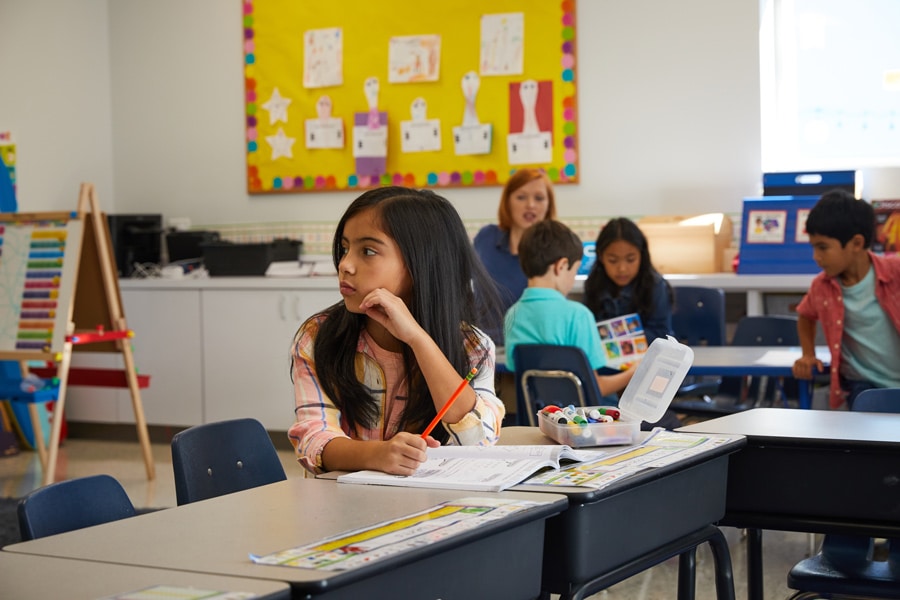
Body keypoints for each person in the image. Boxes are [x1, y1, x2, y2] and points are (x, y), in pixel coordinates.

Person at [289, 186, 505, 475]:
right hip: (344, 504)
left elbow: (479, 441)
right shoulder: (318, 336)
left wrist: (418, 339)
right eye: (344, 248)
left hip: (435, 504)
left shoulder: (473, 346)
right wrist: (378, 455)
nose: (344, 265)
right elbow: (313, 442)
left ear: (421, 264)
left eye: (367, 251)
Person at [792, 189, 900, 409]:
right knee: (872, 438)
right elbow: (805, 315)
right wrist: (808, 354)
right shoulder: (822, 286)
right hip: (863, 386)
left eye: (823, 247)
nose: (816, 257)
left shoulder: (895, 272)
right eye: (813, 247)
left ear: (857, 243)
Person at [504, 220, 634, 399]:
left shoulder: (513, 314)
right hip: (584, 422)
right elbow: (595, 389)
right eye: (574, 271)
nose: (573, 279)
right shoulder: (578, 316)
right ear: (561, 266)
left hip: (538, 420)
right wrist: (633, 372)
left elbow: (517, 371)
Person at [473, 168, 557, 341]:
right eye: (521, 197)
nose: (530, 205)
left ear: (549, 205)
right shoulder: (486, 237)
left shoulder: (556, 248)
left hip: (529, 346)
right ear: (508, 202)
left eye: (539, 198)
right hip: (481, 345)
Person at [583, 218, 674, 344]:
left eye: (630, 259)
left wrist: (619, 335)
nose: (622, 269)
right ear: (601, 257)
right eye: (613, 260)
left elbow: (661, 333)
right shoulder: (594, 285)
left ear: (642, 256)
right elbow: (589, 331)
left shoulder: (655, 286)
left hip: (647, 359)